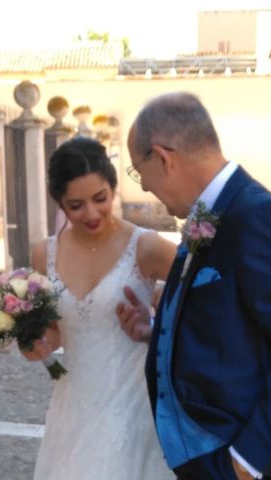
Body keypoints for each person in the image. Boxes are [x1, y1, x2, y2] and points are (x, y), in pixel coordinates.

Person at [116, 92, 271, 480]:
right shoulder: (209, 212)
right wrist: (159, 333)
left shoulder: (260, 219)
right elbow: (230, 325)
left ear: (163, 157)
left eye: (139, 172)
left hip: (245, 461)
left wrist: (247, 460)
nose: (145, 187)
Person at [22, 136, 178, 479]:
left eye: (100, 199)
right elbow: (53, 334)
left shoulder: (147, 246)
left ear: (113, 188)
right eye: (76, 205)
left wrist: (159, 313)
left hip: (133, 404)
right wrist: (33, 343)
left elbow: (208, 293)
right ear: (60, 203)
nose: (91, 213)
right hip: (73, 405)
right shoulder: (42, 254)